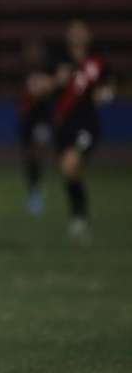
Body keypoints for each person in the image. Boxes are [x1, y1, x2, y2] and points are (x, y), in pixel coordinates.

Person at [52, 20, 114, 239]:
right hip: (63, 124)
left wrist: (105, 94)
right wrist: (55, 81)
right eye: (73, 31)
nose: (77, 35)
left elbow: (109, 87)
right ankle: (79, 214)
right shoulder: (59, 60)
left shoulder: (97, 63)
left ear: (88, 36)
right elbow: (42, 85)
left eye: (81, 31)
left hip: (87, 124)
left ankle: (80, 216)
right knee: (69, 171)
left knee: (71, 164)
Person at [18, 39, 56, 216]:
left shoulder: (48, 72)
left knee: (37, 152)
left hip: (42, 119)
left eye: (36, 51)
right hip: (27, 120)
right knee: (29, 156)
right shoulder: (23, 72)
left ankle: (37, 192)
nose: (33, 55)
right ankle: (34, 189)